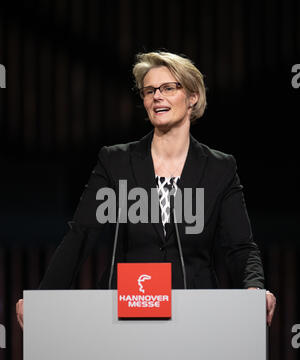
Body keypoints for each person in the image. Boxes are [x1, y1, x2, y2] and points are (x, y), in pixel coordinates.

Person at [16, 51, 276, 329]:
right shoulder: (115, 161)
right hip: (126, 312)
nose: (156, 96)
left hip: (196, 313)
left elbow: (240, 246)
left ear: (192, 98)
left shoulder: (219, 168)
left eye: (168, 88)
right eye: (149, 90)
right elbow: (81, 235)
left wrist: (254, 289)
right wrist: (44, 298)